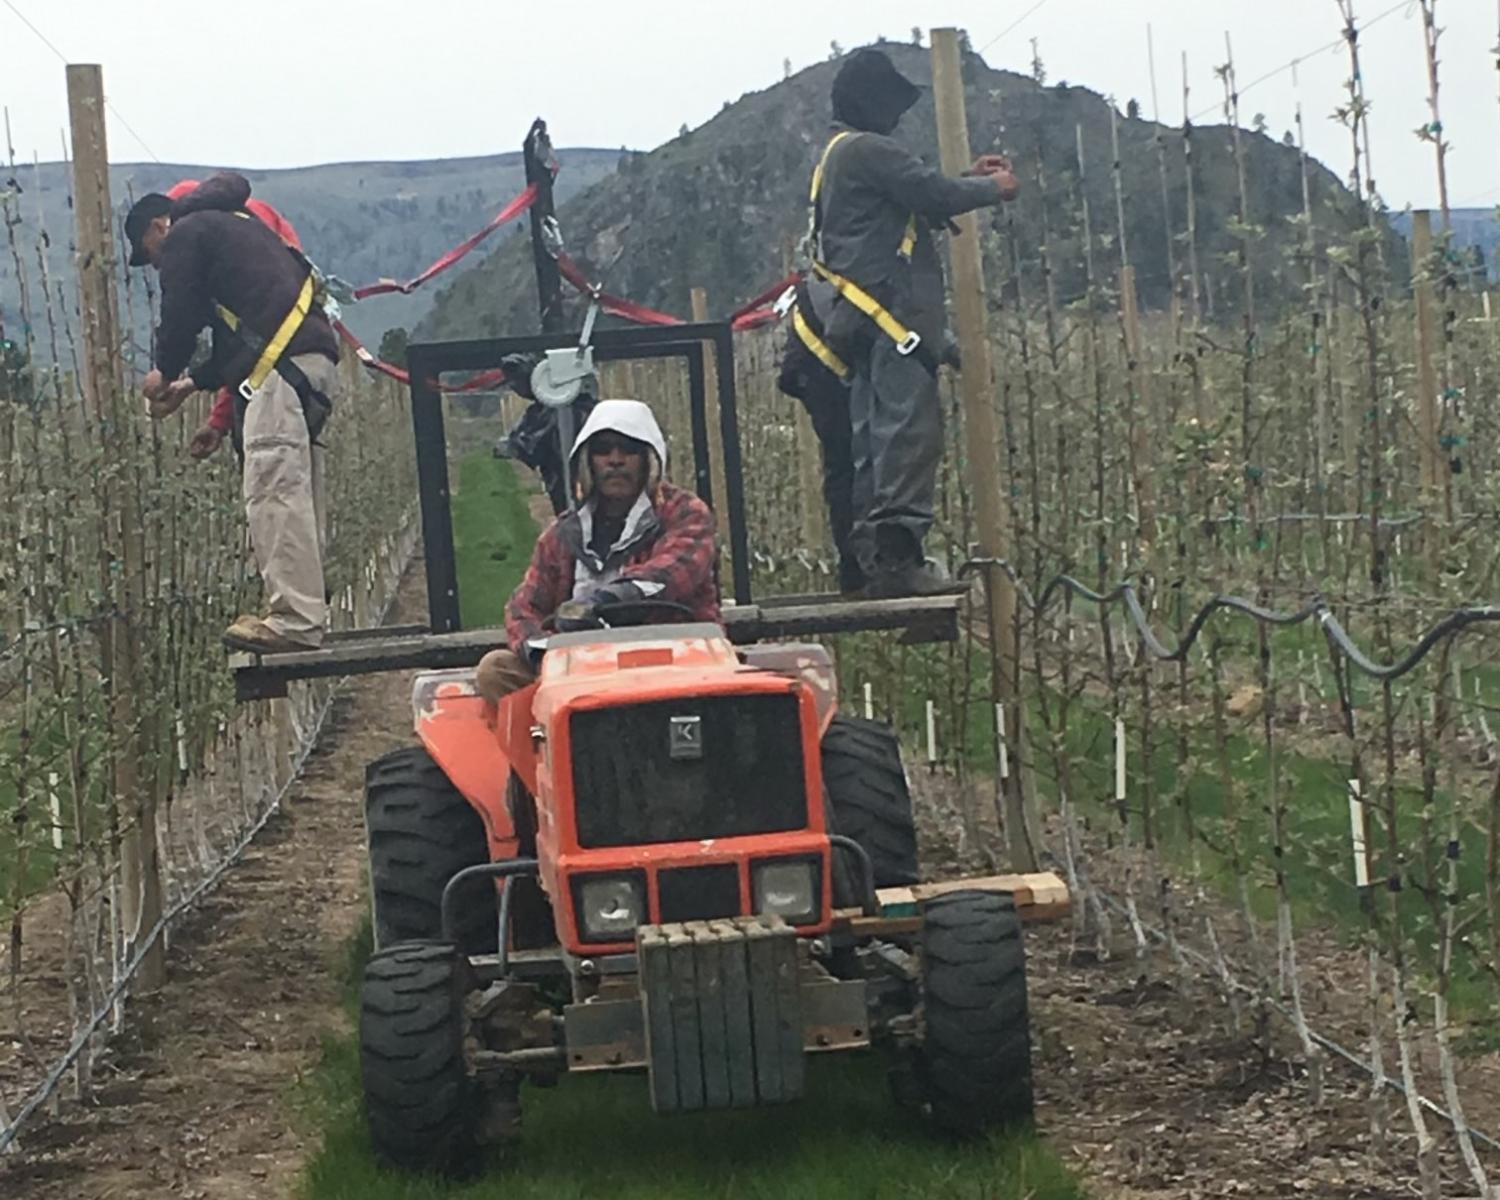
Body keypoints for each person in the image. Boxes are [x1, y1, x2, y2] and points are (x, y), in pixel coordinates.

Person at [811, 47, 1019, 598]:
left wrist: (962, 182)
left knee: (870, 442)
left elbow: (916, 197)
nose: (899, 117)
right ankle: (899, 561)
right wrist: (992, 189)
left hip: (861, 318)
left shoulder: (840, 155)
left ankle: (871, 560)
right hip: (892, 320)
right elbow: (933, 193)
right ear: (874, 103)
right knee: (907, 436)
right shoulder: (868, 150)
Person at [126, 172, 340, 653]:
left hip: (280, 376)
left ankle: (296, 622)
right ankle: (310, 605)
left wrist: (164, 371)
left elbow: (179, 315)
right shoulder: (238, 227)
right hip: (311, 363)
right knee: (300, 492)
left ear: (158, 227)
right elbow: (240, 340)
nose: (157, 263)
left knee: (273, 491)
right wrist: (191, 384)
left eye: (150, 252)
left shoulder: (185, 234)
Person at [475, 399, 719, 703]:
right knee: (495, 670)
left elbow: (671, 574)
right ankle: (550, 743)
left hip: (675, 660)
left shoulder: (684, 513)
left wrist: (605, 600)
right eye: (604, 449)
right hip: (580, 670)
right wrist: (538, 649)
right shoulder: (562, 534)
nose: (615, 460)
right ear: (588, 462)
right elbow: (523, 605)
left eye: (628, 449)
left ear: (648, 459)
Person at [161, 178, 306, 463]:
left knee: (276, 497)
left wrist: (166, 372)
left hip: (280, 376)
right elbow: (247, 348)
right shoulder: (251, 227)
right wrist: (219, 419)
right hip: (291, 370)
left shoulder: (237, 232)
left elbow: (260, 345)